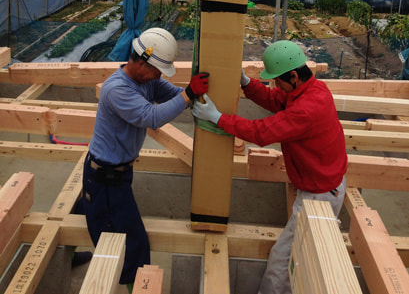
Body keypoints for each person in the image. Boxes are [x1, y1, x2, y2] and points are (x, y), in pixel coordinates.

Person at [192, 40, 347, 294]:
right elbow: (276, 99)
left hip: (319, 197)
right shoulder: (311, 89)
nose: (275, 85)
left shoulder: (307, 109)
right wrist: (246, 83)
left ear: (293, 76)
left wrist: (217, 118)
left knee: (281, 262)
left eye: (277, 80)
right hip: (323, 184)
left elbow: (262, 132)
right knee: (295, 258)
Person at [82, 27, 209, 293]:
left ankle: (71, 251)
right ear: (141, 63)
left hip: (117, 173)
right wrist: (188, 94)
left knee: (95, 217)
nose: (159, 76)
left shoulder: (147, 80)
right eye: (157, 70)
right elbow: (151, 117)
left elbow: (172, 95)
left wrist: (194, 97)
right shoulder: (116, 89)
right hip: (105, 177)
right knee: (134, 242)